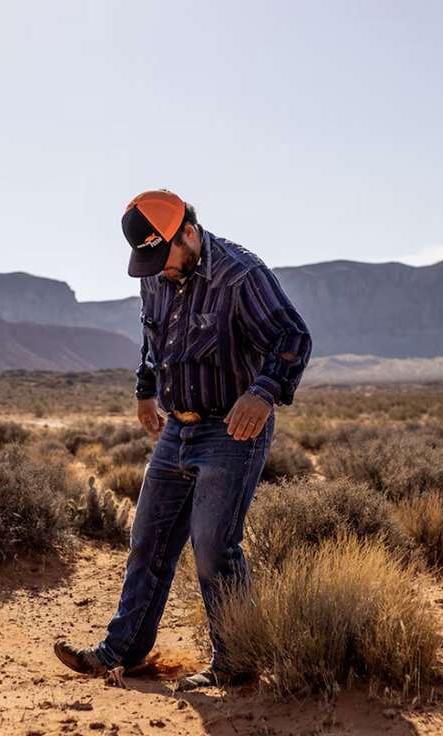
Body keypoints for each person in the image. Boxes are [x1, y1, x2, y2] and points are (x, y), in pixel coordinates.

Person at [54, 189, 311, 689]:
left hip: (232, 429)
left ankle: (236, 665)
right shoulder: (156, 275)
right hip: (178, 429)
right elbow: (154, 339)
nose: (157, 269)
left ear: (188, 233)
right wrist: (145, 391)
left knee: (215, 547)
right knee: (147, 540)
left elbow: (292, 337)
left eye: (162, 256)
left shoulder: (241, 275)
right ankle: (119, 653)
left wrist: (262, 392)